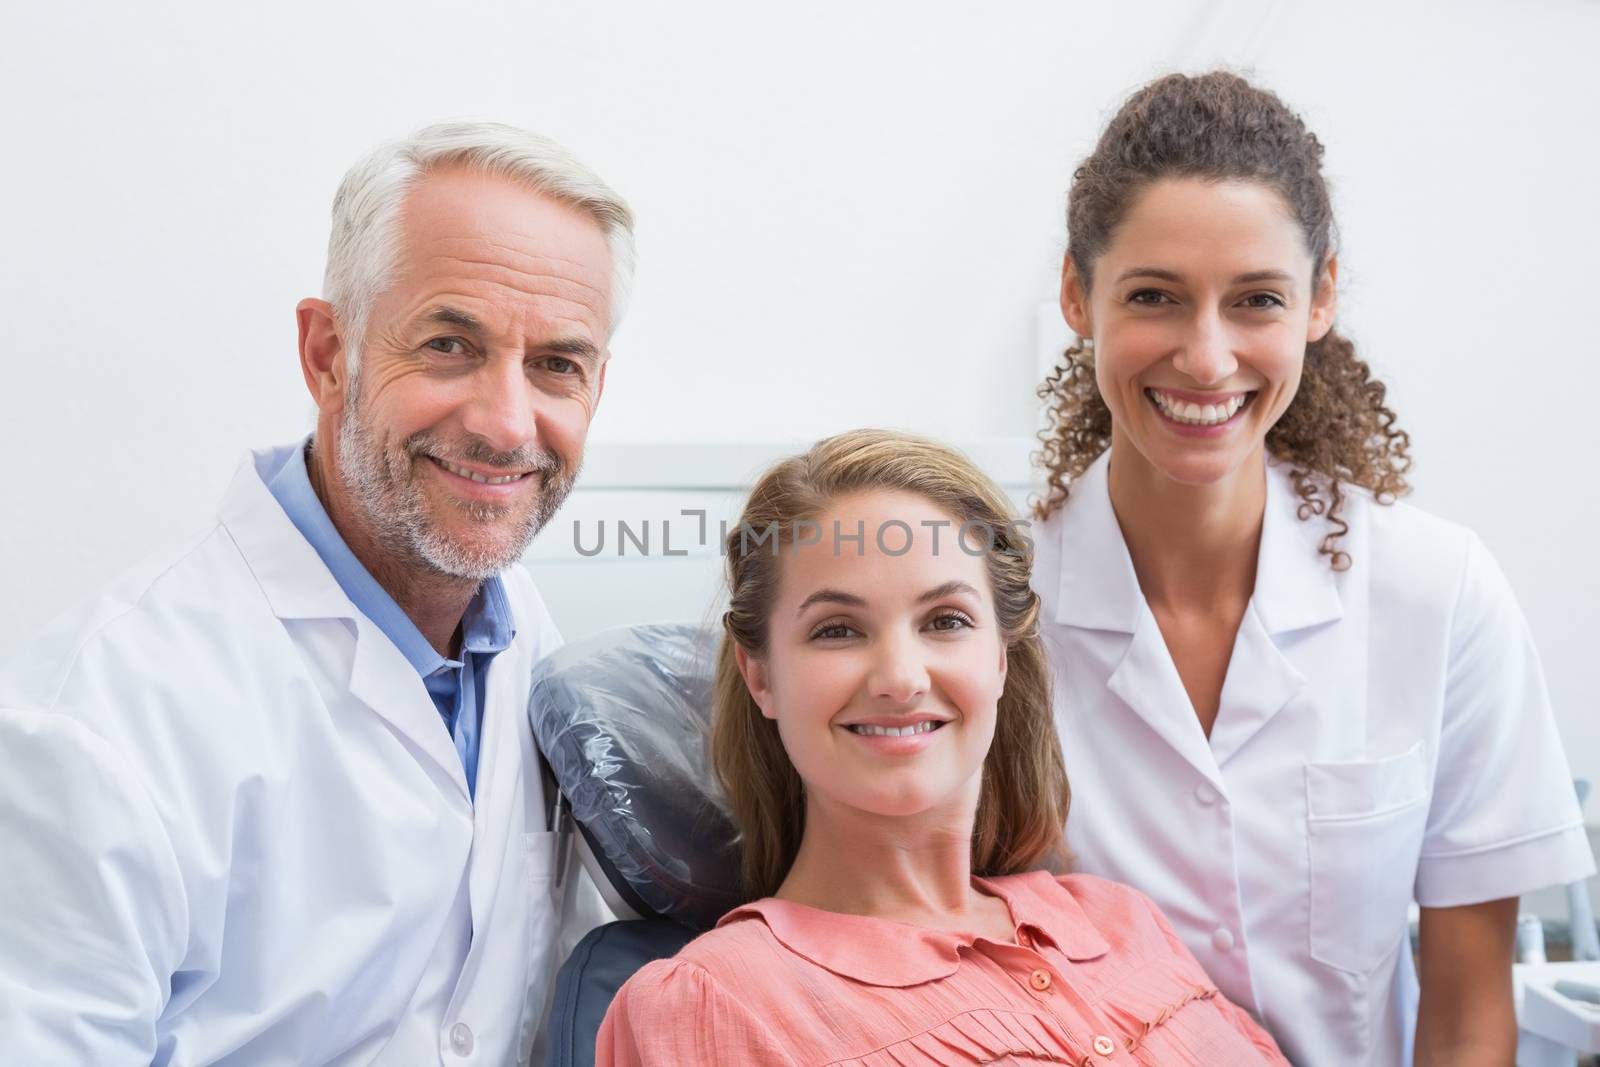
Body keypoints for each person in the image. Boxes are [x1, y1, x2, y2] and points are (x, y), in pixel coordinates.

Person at [0, 122, 633, 1065]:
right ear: (328, 353)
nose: (508, 424)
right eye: (451, 343)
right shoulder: (99, 719)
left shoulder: (529, 641)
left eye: (557, 365)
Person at [1031, 71, 1596, 1067]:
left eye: (1255, 300)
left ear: (1319, 298)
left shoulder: (1434, 591)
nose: (1206, 358)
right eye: (1154, 296)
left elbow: (1466, 1015)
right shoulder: (986, 607)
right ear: (1077, 294)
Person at [597, 429, 1290, 1066]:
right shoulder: (710, 1002)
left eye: (946, 620)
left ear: (999, 659)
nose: (900, 678)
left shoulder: (1117, 919)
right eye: (837, 630)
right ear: (761, 676)